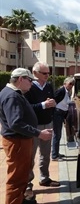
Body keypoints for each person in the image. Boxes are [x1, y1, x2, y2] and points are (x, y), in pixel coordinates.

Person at [0, 68, 53, 204]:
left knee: (22, 175)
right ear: (20, 79)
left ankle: (21, 199)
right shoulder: (12, 96)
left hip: (20, 140)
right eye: (29, 80)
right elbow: (15, 123)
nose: (31, 83)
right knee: (16, 178)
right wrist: (39, 133)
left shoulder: (12, 93)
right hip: (17, 141)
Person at [24, 62, 60, 199]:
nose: (47, 76)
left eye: (48, 73)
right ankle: (27, 184)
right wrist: (43, 105)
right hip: (34, 127)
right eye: (45, 73)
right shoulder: (29, 87)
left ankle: (45, 178)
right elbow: (27, 108)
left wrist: (53, 103)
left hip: (48, 124)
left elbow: (53, 100)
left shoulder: (49, 86)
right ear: (35, 73)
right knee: (30, 156)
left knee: (45, 154)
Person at [52, 77, 75, 161]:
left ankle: (56, 153)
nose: (71, 86)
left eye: (73, 84)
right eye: (70, 84)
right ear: (65, 83)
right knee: (57, 135)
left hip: (61, 114)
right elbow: (53, 100)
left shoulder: (67, 92)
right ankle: (54, 156)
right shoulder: (61, 90)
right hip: (57, 113)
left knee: (59, 135)